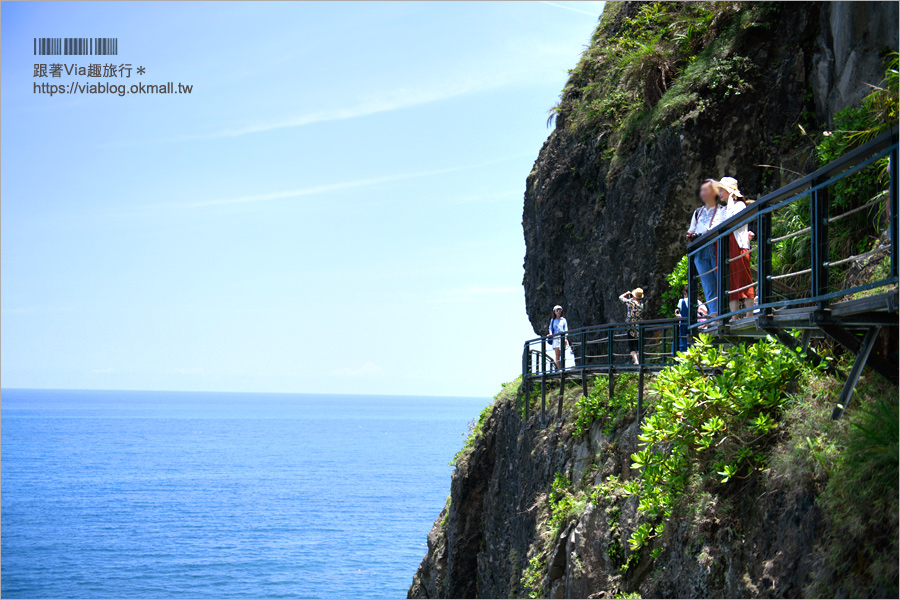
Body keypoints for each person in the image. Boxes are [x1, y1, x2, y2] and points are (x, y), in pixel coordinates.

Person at [716, 177, 756, 321]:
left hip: (739, 245)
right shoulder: (725, 209)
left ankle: (749, 313)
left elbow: (734, 222)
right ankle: (734, 316)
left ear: (729, 190)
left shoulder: (739, 205)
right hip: (729, 246)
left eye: (721, 189)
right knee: (731, 281)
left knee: (744, 279)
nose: (719, 193)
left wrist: (732, 200)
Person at [686, 179, 724, 317]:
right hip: (700, 250)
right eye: (702, 190)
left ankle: (725, 314)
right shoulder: (698, 212)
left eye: (706, 189)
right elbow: (691, 229)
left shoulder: (722, 210)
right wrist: (690, 236)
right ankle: (714, 315)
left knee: (721, 282)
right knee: (708, 285)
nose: (702, 193)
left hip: (716, 247)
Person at [619, 288, 644, 365]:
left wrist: (626, 293)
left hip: (631, 326)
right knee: (638, 344)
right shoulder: (641, 305)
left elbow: (620, 298)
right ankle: (640, 360)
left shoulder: (631, 302)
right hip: (638, 326)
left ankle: (636, 361)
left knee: (631, 344)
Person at [547, 305, 569, 369]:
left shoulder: (564, 320)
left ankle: (563, 368)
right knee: (557, 355)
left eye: (560, 310)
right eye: (557, 310)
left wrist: (565, 337)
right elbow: (550, 328)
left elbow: (566, 329)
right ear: (554, 312)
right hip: (555, 338)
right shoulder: (553, 320)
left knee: (562, 354)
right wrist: (550, 334)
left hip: (562, 337)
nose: (558, 312)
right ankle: (559, 369)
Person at [675, 287, 689, 353]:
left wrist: (676, 313)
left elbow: (680, 314)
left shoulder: (682, 301)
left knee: (682, 343)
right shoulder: (697, 302)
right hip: (693, 323)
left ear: (685, 293)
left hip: (683, 324)